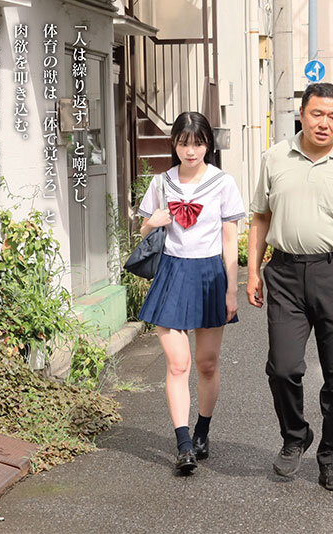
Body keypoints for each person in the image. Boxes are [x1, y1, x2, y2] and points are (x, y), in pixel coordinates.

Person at [246, 83, 333, 491]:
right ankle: (295, 435)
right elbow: (260, 218)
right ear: (303, 114)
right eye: (317, 114)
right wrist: (253, 272)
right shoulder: (275, 158)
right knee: (283, 367)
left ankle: (332, 457)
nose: (324, 123)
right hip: (285, 273)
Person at [137, 111, 246, 475]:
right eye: (184, 143)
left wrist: (232, 290)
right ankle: (183, 444)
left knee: (207, 363)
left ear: (208, 145)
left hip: (209, 275)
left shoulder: (223, 183)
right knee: (178, 363)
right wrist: (152, 222)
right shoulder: (161, 182)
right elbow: (144, 231)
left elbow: (230, 240)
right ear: (174, 144)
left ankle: (202, 431)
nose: (191, 150)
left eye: (198, 143)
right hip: (172, 273)